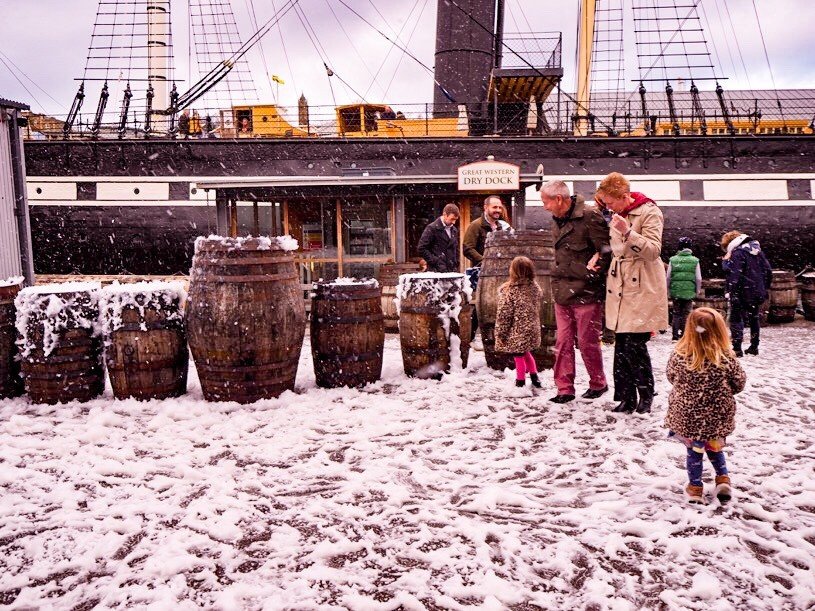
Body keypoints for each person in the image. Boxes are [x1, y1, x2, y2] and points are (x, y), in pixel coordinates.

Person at [595, 172, 669, 414]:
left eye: (610, 202)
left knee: (634, 344)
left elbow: (653, 251)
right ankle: (626, 397)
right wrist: (601, 255)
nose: (607, 208)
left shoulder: (649, 212)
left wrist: (628, 232)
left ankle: (646, 394)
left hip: (641, 284)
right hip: (620, 283)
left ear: (624, 196)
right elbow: (617, 250)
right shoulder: (620, 214)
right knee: (622, 344)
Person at [664, 307, 746, 504]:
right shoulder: (725, 358)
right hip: (716, 418)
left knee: (695, 452)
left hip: (688, 417)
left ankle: (695, 487)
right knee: (715, 448)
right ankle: (723, 478)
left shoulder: (679, 356)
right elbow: (739, 383)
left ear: (689, 330)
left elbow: (671, 377)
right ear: (719, 331)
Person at [541, 180, 610, 404]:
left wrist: (591, 272)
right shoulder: (557, 219)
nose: (545, 207)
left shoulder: (590, 217)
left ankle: (598, 383)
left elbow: (606, 252)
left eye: (546, 202)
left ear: (559, 199)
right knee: (563, 341)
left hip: (586, 292)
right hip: (563, 291)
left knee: (588, 342)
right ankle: (564, 388)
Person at [463, 195, 511, 341]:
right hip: (482, 273)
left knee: (498, 304)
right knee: (481, 306)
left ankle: (497, 338)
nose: (498, 210)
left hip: (501, 273)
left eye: (499, 207)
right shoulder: (476, 225)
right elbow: (467, 248)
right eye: (494, 207)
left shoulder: (502, 226)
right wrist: (485, 261)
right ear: (486, 208)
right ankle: (469, 339)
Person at [721, 230, 772, 356]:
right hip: (756, 292)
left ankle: (737, 348)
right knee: (754, 318)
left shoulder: (738, 254)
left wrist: (725, 261)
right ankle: (754, 346)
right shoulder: (758, 252)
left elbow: (734, 274)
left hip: (741, 292)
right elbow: (768, 271)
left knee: (736, 319)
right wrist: (763, 288)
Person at [494, 256, 542, 389]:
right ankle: (534, 377)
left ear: (513, 271)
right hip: (532, 329)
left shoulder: (510, 291)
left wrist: (501, 334)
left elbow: (504, 315)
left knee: (518, 355)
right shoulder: (535, 287)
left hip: (517, 330)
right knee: (525, 352)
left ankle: (520, 382)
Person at [667, 237, 702, 341]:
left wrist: (668, 290)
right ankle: (684, 335)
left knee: (676, 313)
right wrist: (697, 290)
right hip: (689, 291)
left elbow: (668, 277)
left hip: (676, 291)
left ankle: (674, 336)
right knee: (687, 313)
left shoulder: (673, 260)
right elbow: (698, 278)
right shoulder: (695, 260)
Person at [417, 203, 460, 273]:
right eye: (452, 219)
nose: (454, 222)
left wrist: (456, 262)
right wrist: (436, 261)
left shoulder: (454, 230)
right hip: (436, 272)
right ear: (445, 215)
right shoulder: (432, 228)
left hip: (451, 271)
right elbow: (421, 248)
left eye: (456, 219)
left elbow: (455, 249)